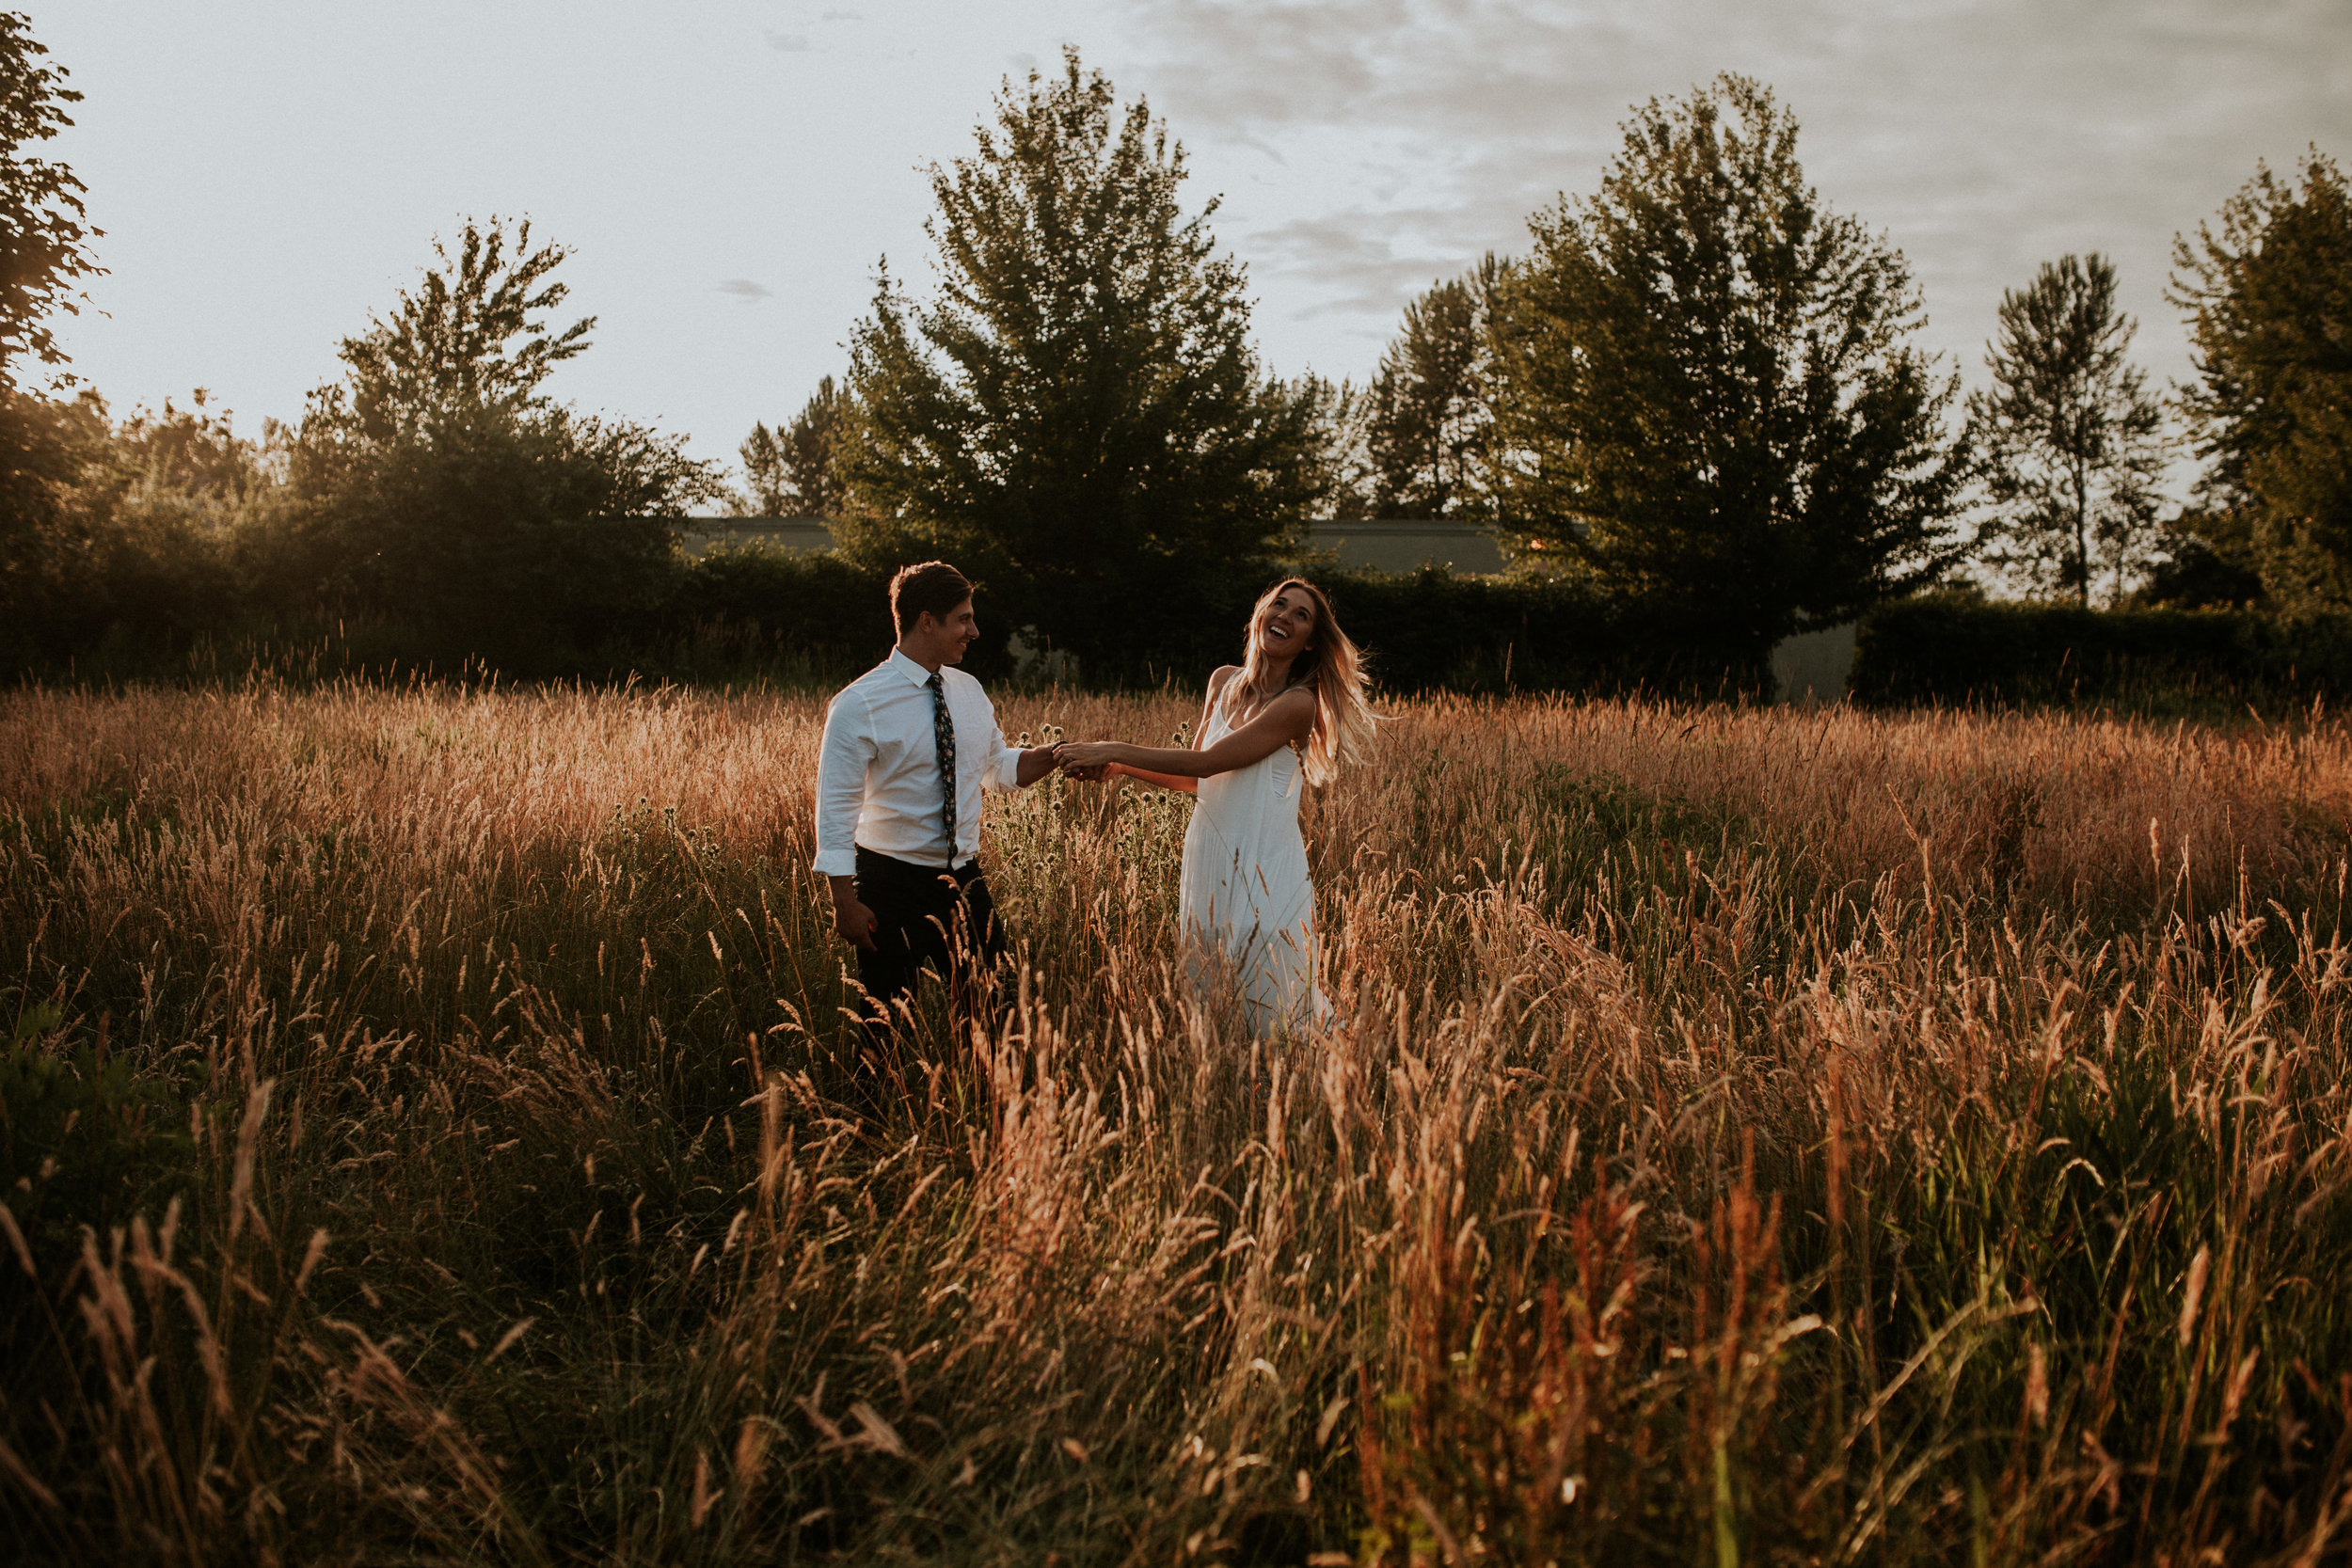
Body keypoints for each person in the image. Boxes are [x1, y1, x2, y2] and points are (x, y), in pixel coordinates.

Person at [1058, 579, 1375, 1037]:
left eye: (1301, 615)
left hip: (1265, 870)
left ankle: (1328, 1082)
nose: (1285, 616)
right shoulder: (1222, 681)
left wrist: (1114, 747)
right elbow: (1197, 778)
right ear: (1260, 615)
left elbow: (1208, 759)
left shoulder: (1298, 704)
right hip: (1208, 861)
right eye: (1278, 604)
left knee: (1277, 1007)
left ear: (1310, 642)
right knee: (1213, 1002)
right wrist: (1120, 767)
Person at [813, 561, 1063, 1038]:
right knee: (883, 1026)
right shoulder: (858, 704)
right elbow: (835, 809)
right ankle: (870, 1113)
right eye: (964, 618)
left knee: (998, 1014)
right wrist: (843, 901)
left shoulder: (968, 691)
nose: (975, 630)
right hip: (889, 882)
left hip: (964, 881)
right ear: (927, 620)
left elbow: (997, 768)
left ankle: (989, 1107)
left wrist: (1057, 755)